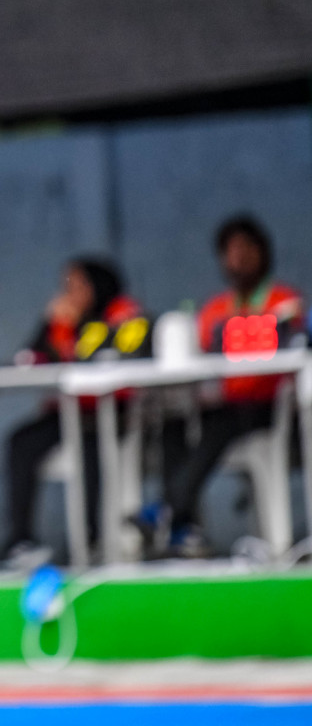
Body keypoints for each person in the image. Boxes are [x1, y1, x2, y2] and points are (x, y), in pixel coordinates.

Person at [142, 215, 304, 557]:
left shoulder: (282, 298)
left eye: (247, 249)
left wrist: (234, 333)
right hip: (227, 404)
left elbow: (284, 335)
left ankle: (166, 511)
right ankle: (184, 526)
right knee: (175, 425)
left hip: (270, 408)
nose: (239, 258)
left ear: (263, 253)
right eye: (231, 252)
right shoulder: (217, 306)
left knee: (220, 422)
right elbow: (202, 351)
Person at [0, 259, 151, 569]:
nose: (70, 293)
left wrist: (65, 328)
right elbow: (34, 358)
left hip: (112, 414)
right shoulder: (65, 319)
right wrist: (54, 325)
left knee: (91, 452)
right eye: (67, 286)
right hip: (68, 412)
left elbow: (94, 358)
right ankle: (20, 540)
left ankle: (92, 543)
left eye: (78, 285)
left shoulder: (125, 314)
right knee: (21, 441)